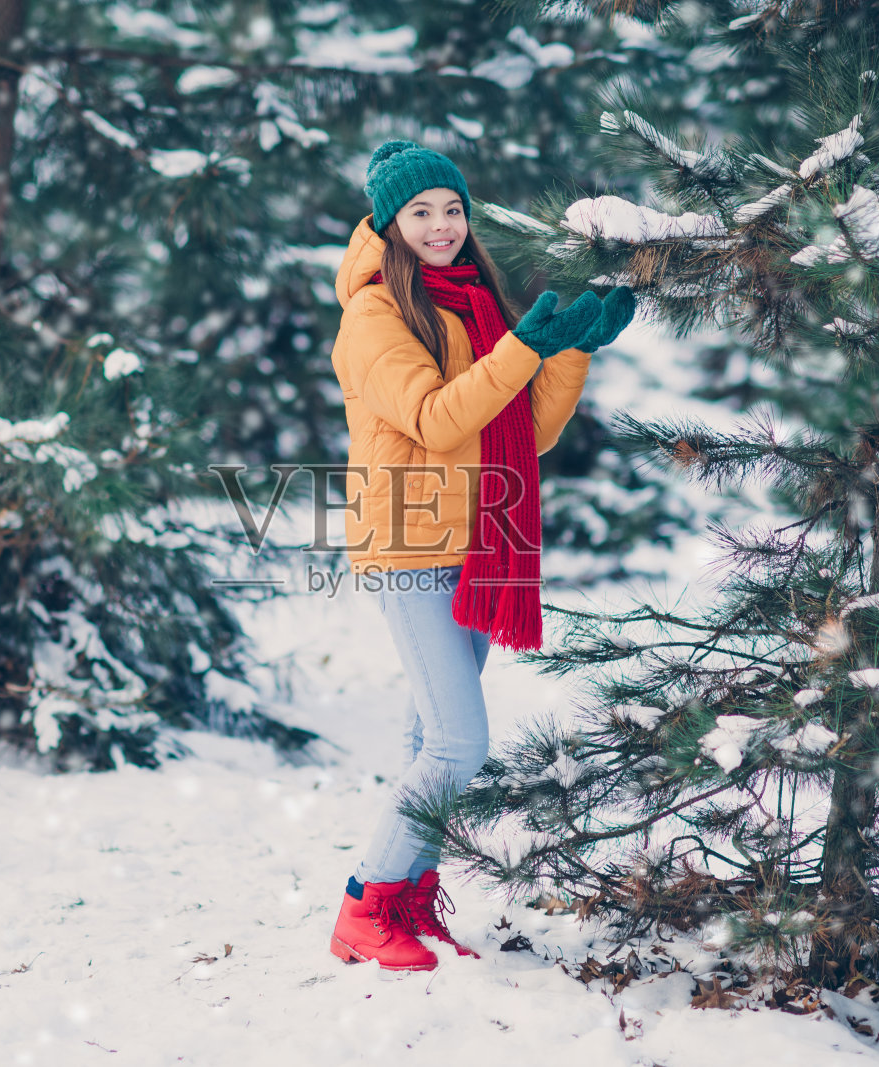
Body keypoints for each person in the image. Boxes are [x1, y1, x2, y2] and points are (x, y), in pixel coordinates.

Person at [325, 140, 634, 971]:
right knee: (458, 743)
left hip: (477, 544)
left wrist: (567, 349)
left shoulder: (473, 302)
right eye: (420, 212)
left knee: (432, 734)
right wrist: (522, 352)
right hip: (410, 546)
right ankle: (365, 900)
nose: (440, 226)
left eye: (452, 209)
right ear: (390, 224)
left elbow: (522, 433)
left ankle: (410, 893)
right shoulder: (375, 313)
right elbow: (434, 420)